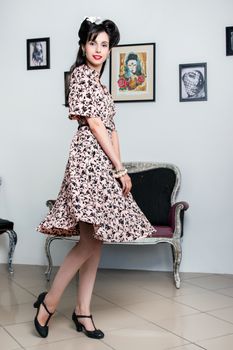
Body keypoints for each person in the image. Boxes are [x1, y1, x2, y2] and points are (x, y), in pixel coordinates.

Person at [34, 16, 155, 340]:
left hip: (104, 163)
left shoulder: (102, 85)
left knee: (96, 240)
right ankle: (49, 303)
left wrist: (120, 165)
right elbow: (96, 126)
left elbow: (113, 129)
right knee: (89, 240)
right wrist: (118, 167)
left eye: (105, 44)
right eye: (93, 42)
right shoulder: (81, 76)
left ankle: (82, 311)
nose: (99, 49)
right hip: (88, 161)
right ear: (82, 45)